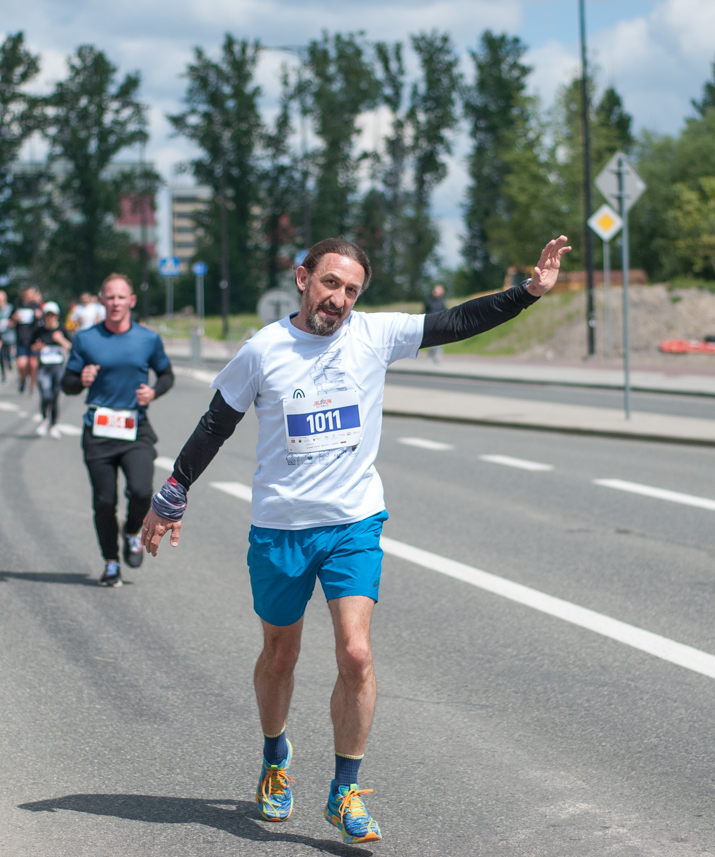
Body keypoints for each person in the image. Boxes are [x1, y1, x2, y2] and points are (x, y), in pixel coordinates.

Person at [140, 234, 572, 845]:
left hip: (353, 521)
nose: (339, 299)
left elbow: (456, 322)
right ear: (303, 278)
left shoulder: (374, 335)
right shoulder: (263, 350)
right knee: (280, 655)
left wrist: (528, 293)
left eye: (351, 290)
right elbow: (216, 423)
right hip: (281, 528)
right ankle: (274, 757)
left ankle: (345, 790)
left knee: (357, 654)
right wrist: (174, 492)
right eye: (330, 283)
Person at [62, 274, 174, 586]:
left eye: (121, 297)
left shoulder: (147, 339)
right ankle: (111, 562)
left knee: (141, 490)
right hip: (98, 432)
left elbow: (166, 375)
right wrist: (81, 379)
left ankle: (133, 530)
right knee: (104, 502)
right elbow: (67, 384)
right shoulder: (86, 339)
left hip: (135, 429)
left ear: (131, 301)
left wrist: (153, 391)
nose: (115, 303)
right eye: (110, 297)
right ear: (101, 300)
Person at [31, 301, 71, 438]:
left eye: (52, 315)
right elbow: (31, 345)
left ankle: (54, 424)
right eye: (47, 315)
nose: (50, 318)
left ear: (57, 316)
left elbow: (71, 347)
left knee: (55, 397)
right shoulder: (39, 331)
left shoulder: (62, 330)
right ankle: (45, 419)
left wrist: (61, 340)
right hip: (44, 367)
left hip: (58, 367)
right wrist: (37, 348)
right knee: (46, 395)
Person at [12, 286, 43, 394]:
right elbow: (11, 319)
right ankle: (23, 378)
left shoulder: (36, 306)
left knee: (33, 365)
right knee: (22, 364)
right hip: (21, 338)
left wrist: (39, 316)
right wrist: (14, 318)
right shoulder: (17, 304)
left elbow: (41, 322)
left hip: (33, 339)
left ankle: (32, 386)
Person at [423, 284, 447, 363]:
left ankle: (437, 357)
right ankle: (430, 357)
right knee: (432, 341)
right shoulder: (429, 300)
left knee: (440, 341)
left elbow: (444, 310)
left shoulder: (442, 300)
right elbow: (426, 310)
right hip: (430, 322)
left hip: (440, 322)